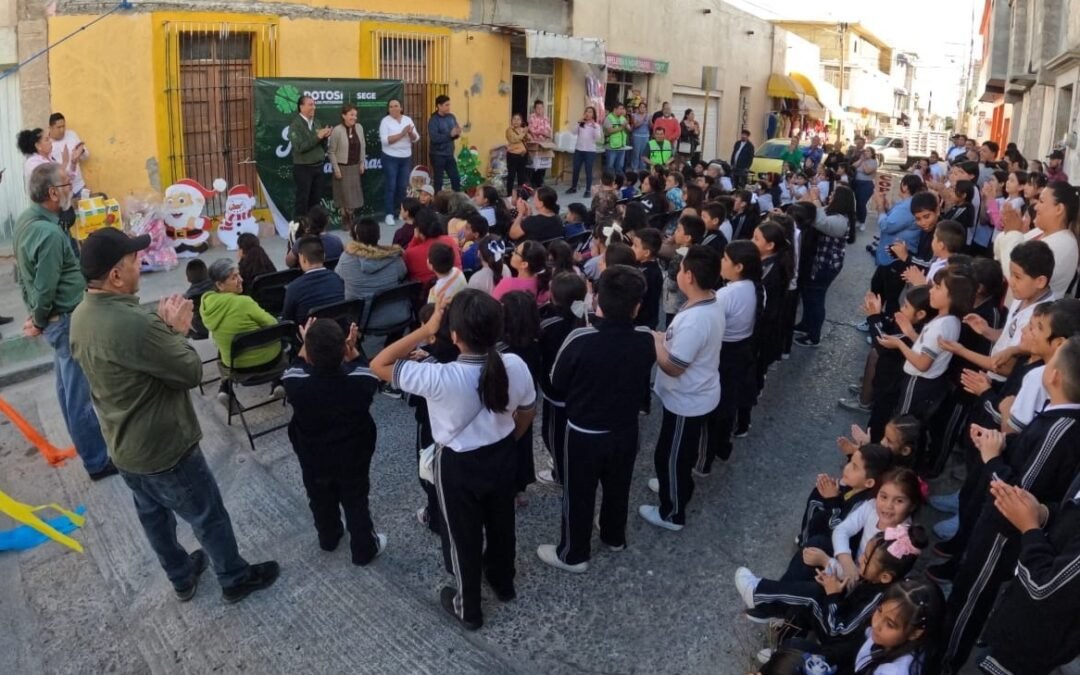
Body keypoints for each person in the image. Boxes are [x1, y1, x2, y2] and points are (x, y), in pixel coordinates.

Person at [70, 228, 279, 603]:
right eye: (135, 262)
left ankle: (181, 577)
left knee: (154, 518)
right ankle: (233, 576)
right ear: (116, 275)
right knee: (207, 514)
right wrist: (176, 331)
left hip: (123, 446)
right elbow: (191, 372)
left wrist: (162, 332)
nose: (141, 267)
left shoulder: (81, 315)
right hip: (164, 447)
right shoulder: (135, 323)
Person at [371, 290, 536, 631]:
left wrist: (426, 328)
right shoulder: (515, 364)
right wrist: (508, 439)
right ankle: (503, 582)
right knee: (503, 524)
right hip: (503, 454)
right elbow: (527, 411)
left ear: (455, 335)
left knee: (463, 537)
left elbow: (378, 364)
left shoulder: (439, 377)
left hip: (459, 467)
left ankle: (469, 608)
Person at [943, 336, 1080, 671]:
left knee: (969, 601)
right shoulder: (1057, 415)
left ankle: (942, 661)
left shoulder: (1060, 428)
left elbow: (1015, 495)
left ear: (1055, 377)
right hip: (1013, 534)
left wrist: (991, 459)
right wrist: (1003, 443)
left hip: (1002, 536)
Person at [537, 265, 656, 573]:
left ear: (597, 300)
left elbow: (556, 383)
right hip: (626, 429)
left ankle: (574, 553)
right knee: (619, 485)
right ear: (637, 306)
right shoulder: (645, 338)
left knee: (579, 492)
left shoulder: (580, 338)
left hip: (584, 431)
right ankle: (614, 536)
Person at [14, 164, 113, 480]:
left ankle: (90, 452)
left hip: (57, 320)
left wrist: (35, 314)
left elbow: (24, 276)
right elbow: (44, 286)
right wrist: (39, 319)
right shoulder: (48, 233)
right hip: (66, 321)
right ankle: (97, 461)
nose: (72, 187)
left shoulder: (27, 221)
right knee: (79, 396)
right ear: (52, 192)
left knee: (67, 389)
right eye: (67, 183)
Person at [283, 318, 385, 564]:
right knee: (356, 500)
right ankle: (364, 549)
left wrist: (307, 342)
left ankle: (328, 538)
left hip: (313, 455)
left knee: (318, 497)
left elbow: (296, 363)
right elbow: (367, 369)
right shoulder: (361, 379)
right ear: (343, 350)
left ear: (309, 353)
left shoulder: (294, 382)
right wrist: (353, 351)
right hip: (354, 454)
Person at [639, 245, 724, 531]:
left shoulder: (696, 320)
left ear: (689, 275)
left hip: (687, 398)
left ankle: (672, 512)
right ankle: (676, 485)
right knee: (679, 451)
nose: (678, 270)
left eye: (681, 266)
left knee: (670, 455)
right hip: (696, 393)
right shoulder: (707, 300)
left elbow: (674, 366)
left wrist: (656, 343)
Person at [978, 469, 1080, 674]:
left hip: (1037, 638)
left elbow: (1044, 590)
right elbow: (1069, 517)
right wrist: (1042, 514)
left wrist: (1029, 527)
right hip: (1018, 613)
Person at [199, 259, 285, 406]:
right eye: (234, 277)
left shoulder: (206, 307)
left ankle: (226, 389)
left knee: (222, 350)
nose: (241, 280)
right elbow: (273, 324)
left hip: (236, 369)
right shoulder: (243, 302)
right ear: (219, 285)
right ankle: (279, 382)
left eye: (239, 275)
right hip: (269, 363)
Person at [535, 273, 588, 486]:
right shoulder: (587, 318)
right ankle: (565, 459)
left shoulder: (548, 325)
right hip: (579, 389)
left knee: (552, 433)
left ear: (553, 296)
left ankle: (560, 472)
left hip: (555, 391)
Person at [793, 186, 855, 347]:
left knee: (816, 298)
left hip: (826, 265)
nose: (831, 196)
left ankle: (814, 336)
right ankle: (805, 324)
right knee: (808, 293)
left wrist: (815, 199)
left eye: (834, 194)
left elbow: (820, 221)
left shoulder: (841, 220)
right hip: (816, 262)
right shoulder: (830, 210)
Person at [334, 217, 409, 329]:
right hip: (398, 314)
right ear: (379, 236)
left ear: (357, 237)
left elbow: (338, 276)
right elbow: (403, 274)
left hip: (364, 320)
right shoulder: (395, 257)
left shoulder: (346, 258)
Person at [282, 236, 346, 325]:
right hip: (338, 332)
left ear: (303, 259)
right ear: (324, 256)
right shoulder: (338, 279)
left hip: (309, 336)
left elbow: (287, 321)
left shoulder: (293, 288)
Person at [289, 95, 332, 219]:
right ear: (301, 107)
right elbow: (300, 147)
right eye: (310, 104)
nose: (314, 107)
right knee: (302, 202)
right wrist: (318, 136)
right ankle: (299, 230)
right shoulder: (295, 125)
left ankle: (314, 228)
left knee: (316, 202)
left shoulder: (317, 122)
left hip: (318, 167)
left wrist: (326, 137)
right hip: (303, 169)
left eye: (314, 104)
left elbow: (321, 146)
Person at [379, 99, 420, 226]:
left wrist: (410, 133)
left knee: (402, 187)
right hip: (390, 157)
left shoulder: (408, 120)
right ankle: (389, 214)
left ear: (401, 108)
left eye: (396, 106)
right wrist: (402, 134)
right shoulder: (385, 121)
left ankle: (402, 213)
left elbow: (416, 138)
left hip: (405, 157)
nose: (393, 108)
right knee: (391, 186)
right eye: (390, 107)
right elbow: (385, 141)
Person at [327, 104, 366, 230]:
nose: (354, 118)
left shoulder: (359, 128)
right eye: (351, 115)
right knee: (344, 196)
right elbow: (331, 151)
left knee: (354, 197)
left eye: (355, 115)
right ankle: (345, 219)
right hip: (342, 168)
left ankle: (351, 216)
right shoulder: (337, 130)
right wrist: (336, 169)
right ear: (344, 116)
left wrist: (362, 162)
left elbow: (363, 146)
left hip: (354, 167)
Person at [402, 208, 462, 285]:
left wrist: (415, 239)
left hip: (427, 294)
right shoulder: (450, 241)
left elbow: (407, 256)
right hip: (456, 286)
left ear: (417, 230)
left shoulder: (411, 253)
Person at [46, 112, 88, 196]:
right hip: (61, 190)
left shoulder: (72, 135)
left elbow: (86, 155)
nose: (62, 130)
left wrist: (80, 151)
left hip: (78, 186)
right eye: (58, 127)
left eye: (63, 126)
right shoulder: (47, 143)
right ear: (50, 128)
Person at [630, 227, 664, 330]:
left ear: (646, 253)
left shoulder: (647, 274)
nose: (631, 248)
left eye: (635, 246)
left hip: (642, 322)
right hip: (648, 320)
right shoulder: (650, 267)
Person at [428, 95, 462, 192]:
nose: (448, 107)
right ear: (439, 106)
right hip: (437, 155)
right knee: (438, 181)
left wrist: (457, 133)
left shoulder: (451, 117)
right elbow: (434, 138)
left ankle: (457, 201)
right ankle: (437, 203)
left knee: (456, 179)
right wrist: (450, 135)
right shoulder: (433, 120)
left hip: (449, 154)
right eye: (446, 105)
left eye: (449, 105)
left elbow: (453, 135)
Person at [568, 107, 602, 197]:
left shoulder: (596, 125)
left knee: (588, 170)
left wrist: (594, 127)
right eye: (586, 111)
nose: (588, 113)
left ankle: (587, 190)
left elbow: (597, 138)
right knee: (576, 169)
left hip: (590, 151)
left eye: (590, 112)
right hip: (579, 150)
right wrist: (578, 122)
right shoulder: (581, 124)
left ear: (593, 114)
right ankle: (573, 187)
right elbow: (573, 132)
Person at [527, 100, 554, 187]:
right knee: (535, 164)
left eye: (541, 107)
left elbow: (548, 131)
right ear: (534, 109)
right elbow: (532, 130)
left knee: (543, 163)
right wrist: (542, 133)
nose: (540, 109)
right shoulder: (532, 117)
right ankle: (533, 182)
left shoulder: (546, 118)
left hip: (544, 144)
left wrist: (545, 134)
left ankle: (540, 181)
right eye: (538, 108)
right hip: (535, 144)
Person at [852, 147, 878, 232]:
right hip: (857, 183)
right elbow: (853, 166)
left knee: (862, 203)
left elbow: (867, 171)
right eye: (865, 151)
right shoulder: (861, 160)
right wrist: (861, 160)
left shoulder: (873, 162)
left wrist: (863, 162)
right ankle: (858, 220)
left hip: (866, 184)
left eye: (868, 151)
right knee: (858, 202)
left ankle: (862, 222)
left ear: (872, 153)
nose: (866, 152)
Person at [504, 113, 530, 196]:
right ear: (511, 121)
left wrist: (526, 133)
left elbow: (529, 138)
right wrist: (523, 133)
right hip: (513, 156)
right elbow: (514, 139)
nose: (516, 121)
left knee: (521, 176)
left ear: (521, 121)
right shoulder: (509, 130)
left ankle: (520, 194)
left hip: (522, 156)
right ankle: (509, 194)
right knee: (511, 176)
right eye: (514, 119)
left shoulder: (522, 130)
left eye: (518, 119)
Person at [603, 102, 632, 175]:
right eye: (620, 109)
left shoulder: (623, 118)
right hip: (611, 147)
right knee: (610, 167)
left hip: (621, 147)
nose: (622, 111)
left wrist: (627, 125)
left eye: (623, 109)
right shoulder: (608, 118)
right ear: (615, 109)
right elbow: (609, 130)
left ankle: (618, 183)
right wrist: (622, 127)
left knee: (620, 166)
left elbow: (629, 129)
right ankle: (609, 183)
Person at [629, 102, 651, 172]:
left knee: (643, 153)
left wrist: (650, 122)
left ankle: (642, 167)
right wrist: (643, 119)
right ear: (638, 108)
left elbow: (650, 126)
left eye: (644, 107)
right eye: (641, 107)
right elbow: (635, 125)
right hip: (637, 136)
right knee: (636, 152)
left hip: (645, 136)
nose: (642, 108)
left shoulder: (648, 116)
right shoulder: (634, 115)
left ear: (646, 109)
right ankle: (634, 167)